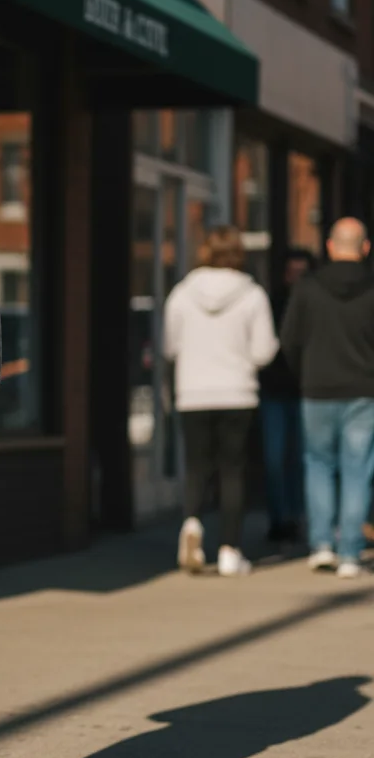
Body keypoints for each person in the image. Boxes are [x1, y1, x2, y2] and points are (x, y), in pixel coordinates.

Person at [164, 225, 279, 577]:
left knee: (197, 467)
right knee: (232, 470)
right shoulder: (253, 295)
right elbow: (263, 351)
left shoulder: (182, 294)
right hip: (237, 393)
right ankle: (231, 550)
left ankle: (193, 523)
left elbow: (170, 346)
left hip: (193, 393)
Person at [280, 217, 374, 579]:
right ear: (365, 248)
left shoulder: (307, 288)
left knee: (318, 464)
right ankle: (350, 550)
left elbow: (289, 340)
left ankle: (321, 544)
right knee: (357, 469)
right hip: (364, 391)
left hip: (317, 389)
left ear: (331, 247)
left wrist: (304, 373)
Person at [258, 249, 312, 543]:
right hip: (275, 390)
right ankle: (279, 519)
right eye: (293, 273)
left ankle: (297, 516)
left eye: (302, 273)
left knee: (303, 460)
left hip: (307, 391)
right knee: (275, 458)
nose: (297, 280)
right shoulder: (271, 303)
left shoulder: (316, 304)